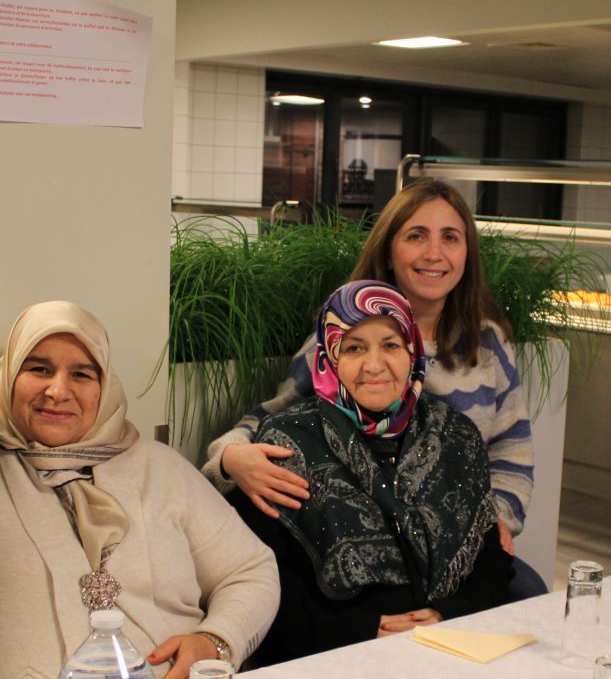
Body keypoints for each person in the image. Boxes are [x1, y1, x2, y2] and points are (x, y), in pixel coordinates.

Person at [0, 301, 277, 679]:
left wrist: (218, 639)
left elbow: (251, 570)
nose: (58, 390)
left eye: (81, 374)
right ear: (9, 374)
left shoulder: (158, 468)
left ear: (104, 384)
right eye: (38, 369)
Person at [202, 178, 536, 575]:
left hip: (456, 543)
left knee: (527, 591)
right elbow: (273, 421)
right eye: (416, 236)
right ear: (389, 251)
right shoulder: (338, 334)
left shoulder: (487, 340)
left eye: (450, 237)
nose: (434, 253)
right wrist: (230, 458)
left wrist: (492, 522)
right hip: (364, 551)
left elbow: (512, 449)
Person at [234, 281, 514, 664]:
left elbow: (490, 559)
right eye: (354, 348)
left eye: (391, 345)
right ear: (328, 357)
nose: (374, 365)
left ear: (412, 352)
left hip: (448, 643)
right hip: (333, 656)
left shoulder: (454, 436)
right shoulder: (288, 444)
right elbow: (263, 581)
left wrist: (445, 614)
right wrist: (363, 630)